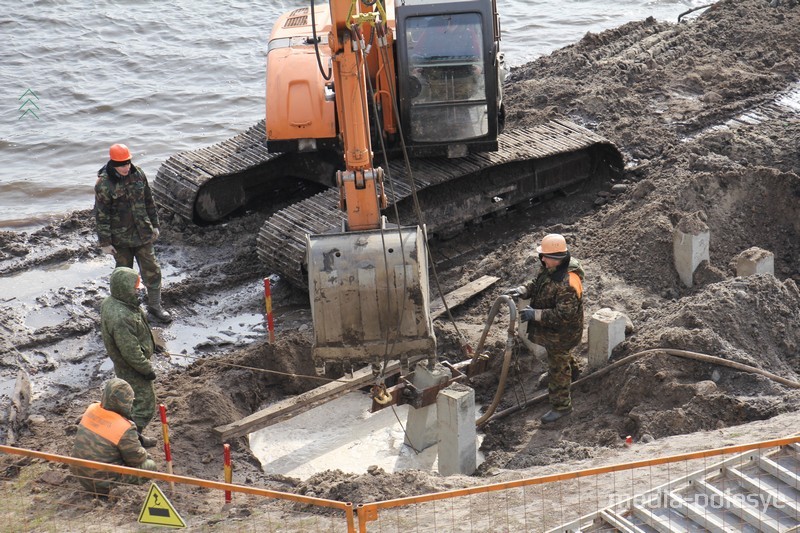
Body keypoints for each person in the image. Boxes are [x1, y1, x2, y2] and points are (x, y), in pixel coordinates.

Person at [506, 233, 585, 423]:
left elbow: (564, 315)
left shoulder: (567, 283)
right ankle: (572, 372)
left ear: (557, 258)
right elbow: (538, 283)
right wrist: (524, 289)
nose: (542, 259)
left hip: (563, 333)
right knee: (560, 355)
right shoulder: (551, 269)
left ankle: (561, 407)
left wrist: (536, 314)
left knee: (557, 364)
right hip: (554, 334)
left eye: (545, 256)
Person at [94, 143, 171, 323]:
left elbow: (148, 201)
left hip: (143, 234)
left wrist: (155, 225)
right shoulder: (104, 184)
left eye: (128, 162)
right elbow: (101, 214)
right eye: (122, 164)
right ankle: (126, 310)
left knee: (152, 270)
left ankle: (155, 306)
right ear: (113, 163)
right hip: (119, 240)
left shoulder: (138, 175)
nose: (126, 167)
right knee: (124, 276)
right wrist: (105, 242)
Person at [101, 266, 159, 447]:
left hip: (125, 364)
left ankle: (135, 438)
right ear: (125, 288)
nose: (140, 289)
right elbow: (130, 351)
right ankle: (130, 443)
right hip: (132, 367)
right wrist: (146, 369)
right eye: (136, 286)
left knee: (132, 404)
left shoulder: (116, 302)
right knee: (144, 407)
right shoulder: (122, 317)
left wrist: (151, 346)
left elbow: (137, 335)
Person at [71, 378, 157, 496]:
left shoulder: (92, 409)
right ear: (126, 403)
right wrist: (146, 454)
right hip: (103, 484)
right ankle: (112, 489)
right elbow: (136, 459)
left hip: (79, 474)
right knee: (150, 466)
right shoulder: (124, 427)